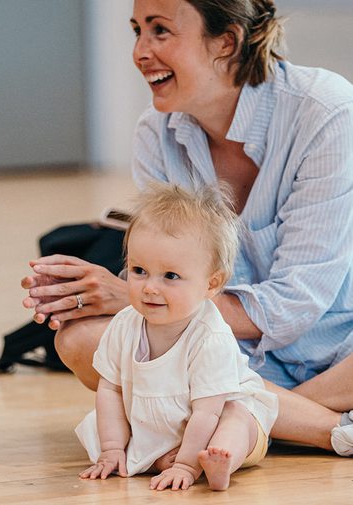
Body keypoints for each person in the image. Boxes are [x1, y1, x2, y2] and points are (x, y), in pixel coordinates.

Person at [21, 0, 353, 456]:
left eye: (160, 31)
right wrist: (114, 288)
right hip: (222, 357)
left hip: (338, 350)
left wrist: (127, 295)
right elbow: (168, 277)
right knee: (81, 339)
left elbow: (297, 303)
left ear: (226, 41)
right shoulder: (155, 134)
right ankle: (314, 426)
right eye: (137, 30)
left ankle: (259, 418)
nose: (140, 51)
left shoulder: (325, 110)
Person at [76, 182, 278, 491]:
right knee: (114, 427)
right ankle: (163, 456)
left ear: (211, 285)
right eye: (139, 270)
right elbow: (110, 391)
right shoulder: (124, 325)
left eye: (170, 276)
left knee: (237, 419)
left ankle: (220, 463)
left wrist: (187, 463)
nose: (150, 287)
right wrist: (113, 448)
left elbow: (207, 411)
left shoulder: (209, 337)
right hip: (159, 424)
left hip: (212, 417)